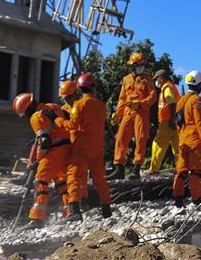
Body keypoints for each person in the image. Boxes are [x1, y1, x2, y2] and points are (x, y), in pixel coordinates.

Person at [55, 73, 111, 222]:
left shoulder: (79, 105)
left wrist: (58, 121)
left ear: (79, 89)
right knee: (100, 179)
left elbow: (72, 125)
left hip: (81, 148)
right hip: (97, 148)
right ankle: (106, 209)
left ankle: (75, 211)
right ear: (93, 86)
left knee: (74, 177)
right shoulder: (102, 105)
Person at [13, 92, 72, 226]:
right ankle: (70, 211)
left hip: (54, 151)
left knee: (40, 181)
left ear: (28, 109)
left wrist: (38, 160)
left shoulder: (36, 116)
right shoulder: (53, 107)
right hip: (68, 148)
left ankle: (37, 218)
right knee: (62, 182)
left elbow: (45, 142)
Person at [109, 52, 157, 180]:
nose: (141, 68)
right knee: (121, 137)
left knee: (141, 138)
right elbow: (122, 98)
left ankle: (136, 169)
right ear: (132, 66)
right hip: (128, 112)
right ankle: (119, 168)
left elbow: (153, 97)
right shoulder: (126, 79)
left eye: (142, 65)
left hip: (141, 112)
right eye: (139, 65)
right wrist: (117, 114)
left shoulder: (148, 79)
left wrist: (141, 103)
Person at [172, 70, 201, 207]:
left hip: (183, 140)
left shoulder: (181, 101)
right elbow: (199, 122)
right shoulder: (196, 99)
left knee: (181, 172)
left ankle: (178, 201)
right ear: (199, 84)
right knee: (196, 172)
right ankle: (196, 202)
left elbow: (177, 123)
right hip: (195, 140)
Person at [146, 69, 181, 175]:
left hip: (167, 122)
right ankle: (182, 168)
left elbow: (172, 103)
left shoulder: (166, 88)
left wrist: (171, 120)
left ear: (161, 78)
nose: (156, 82)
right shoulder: (171, 86)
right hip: (175, 121)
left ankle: (154, 169)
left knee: (158, 144)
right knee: (177, 147)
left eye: (157, 79)